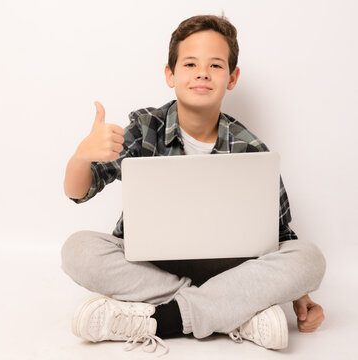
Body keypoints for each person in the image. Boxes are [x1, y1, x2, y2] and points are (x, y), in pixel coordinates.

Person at [61, 14, 326, 354]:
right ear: (170, 74)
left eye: (215, 65)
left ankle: (160, 319)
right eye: (190, 63)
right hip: (151, 266)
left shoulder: (250, 147)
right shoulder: (144, 128)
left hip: (230, 269)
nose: (202, 72)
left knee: (309, 258)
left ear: (232, 78)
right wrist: (81, 157)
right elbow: (78, 191)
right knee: (77, 249)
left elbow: (281, 236)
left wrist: (300, 297)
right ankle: (237, 315)